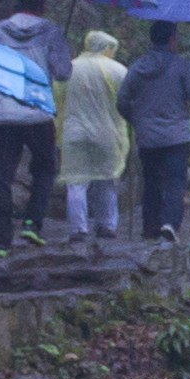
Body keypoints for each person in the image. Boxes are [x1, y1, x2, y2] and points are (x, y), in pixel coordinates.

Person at [0, 12, 60, 233]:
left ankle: (2, 238)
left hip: (2, 114)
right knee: (45, 168)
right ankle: (32, 222)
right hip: (38, 114)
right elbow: (63, 72)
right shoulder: (51, 32)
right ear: (41, 7)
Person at [124, 33, 190, 237]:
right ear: (171, 40)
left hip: (147, 136)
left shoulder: (137, 67)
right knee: (175, 181)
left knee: (151, 181)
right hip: (176, 135)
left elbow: (122, 100)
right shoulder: (182, 66)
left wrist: (137, 120)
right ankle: (169, 223)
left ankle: (150, 228)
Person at [59, 29, 134, 238]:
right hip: (107, 133)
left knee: (76, 182)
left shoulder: (69, 68)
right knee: (107, 179)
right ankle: (107, 225)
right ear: (107, 48)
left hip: (74, 132)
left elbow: (57, 98)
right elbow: (130, 99)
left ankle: (78, 228)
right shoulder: (118, 70)